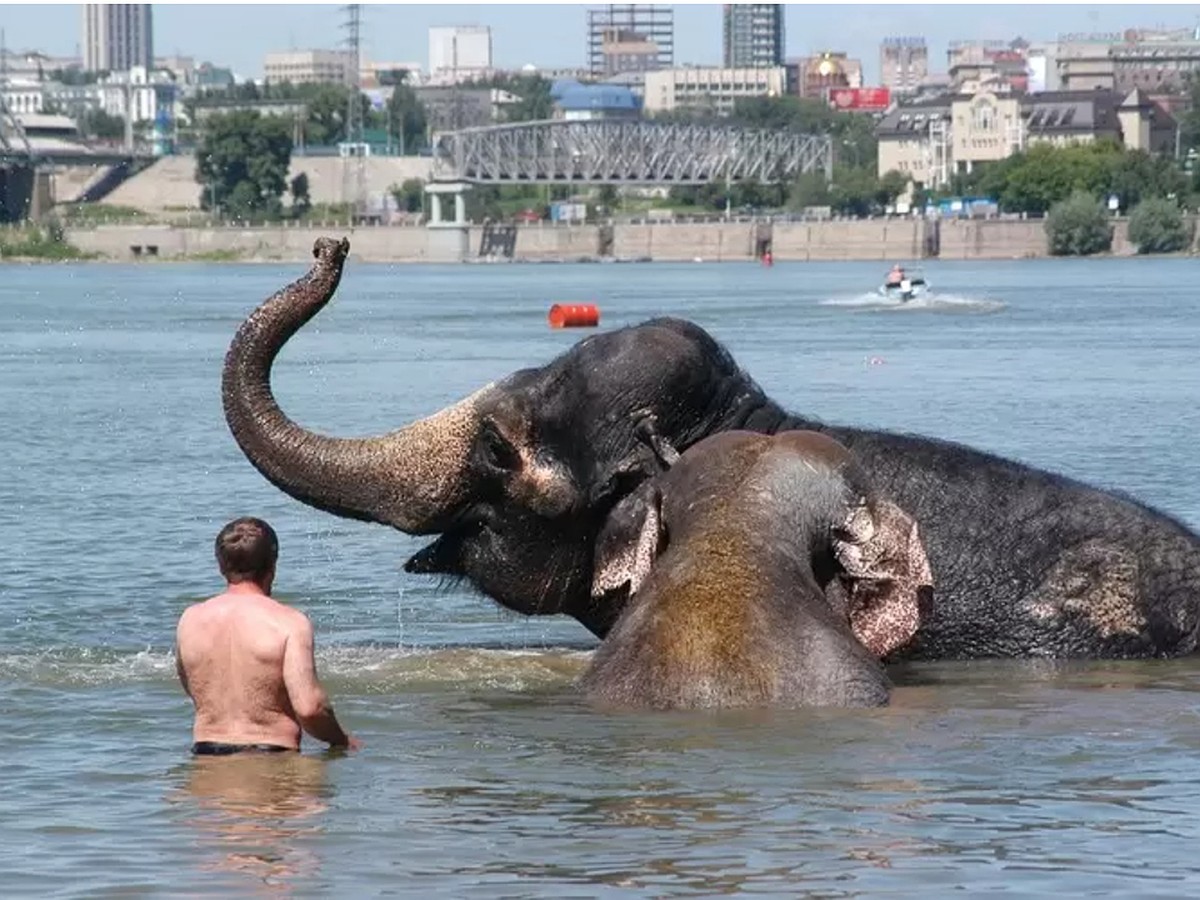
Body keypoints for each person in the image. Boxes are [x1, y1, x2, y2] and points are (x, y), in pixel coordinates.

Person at [176, 516, 361, 756]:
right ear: (273, 564)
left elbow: (192, 685)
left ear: (220, 565)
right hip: (272, 758)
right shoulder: (289, 623)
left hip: (205, 758)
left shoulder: (190, 620)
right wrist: (342, 740)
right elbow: (310, 708)